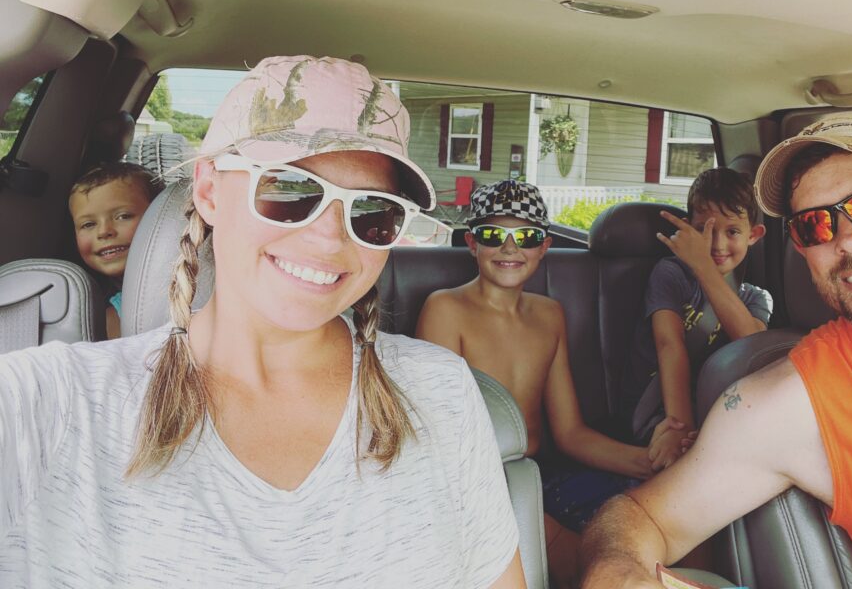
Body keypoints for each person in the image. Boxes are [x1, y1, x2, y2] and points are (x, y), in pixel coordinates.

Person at [1, 56, 525, 588]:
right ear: (208, 191)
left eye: (372, 210)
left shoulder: (442, 392)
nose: (329, 238)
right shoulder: (52, 402)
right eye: (289, 190)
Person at [581, 112, 852, 589]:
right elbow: (643, 518)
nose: (850, 238)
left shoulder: (755, 300)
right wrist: (619, 573)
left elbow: (746, 332)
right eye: (815, 225)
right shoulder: (789, 405)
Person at [417, 180, 682, 589]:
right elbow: (436, 437)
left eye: (525, 236)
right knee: (585, 562)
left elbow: (571, 433)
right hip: (480, 479)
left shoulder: (550, 315)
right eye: (493, 235)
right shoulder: (445, 309)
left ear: (544, 246)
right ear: (472, 243)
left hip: (546, 474)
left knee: (658, 520)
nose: (509, 248)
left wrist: (649, 461)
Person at [621, 167, 771, 471]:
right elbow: (669, 345)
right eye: (705, 230)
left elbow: (751, 344)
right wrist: (680, 430)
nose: (716, 245)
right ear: (689, 229)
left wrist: (703, 267)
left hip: (713, 415)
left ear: (754, 235)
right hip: (657, 412)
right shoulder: (671, 273)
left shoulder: (757, 299)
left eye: (732, 232)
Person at [68, 161, 164, 340]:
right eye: (88, 224)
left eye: (123, 216)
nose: (104, 231)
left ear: (161, 216)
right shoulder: (105, 315)